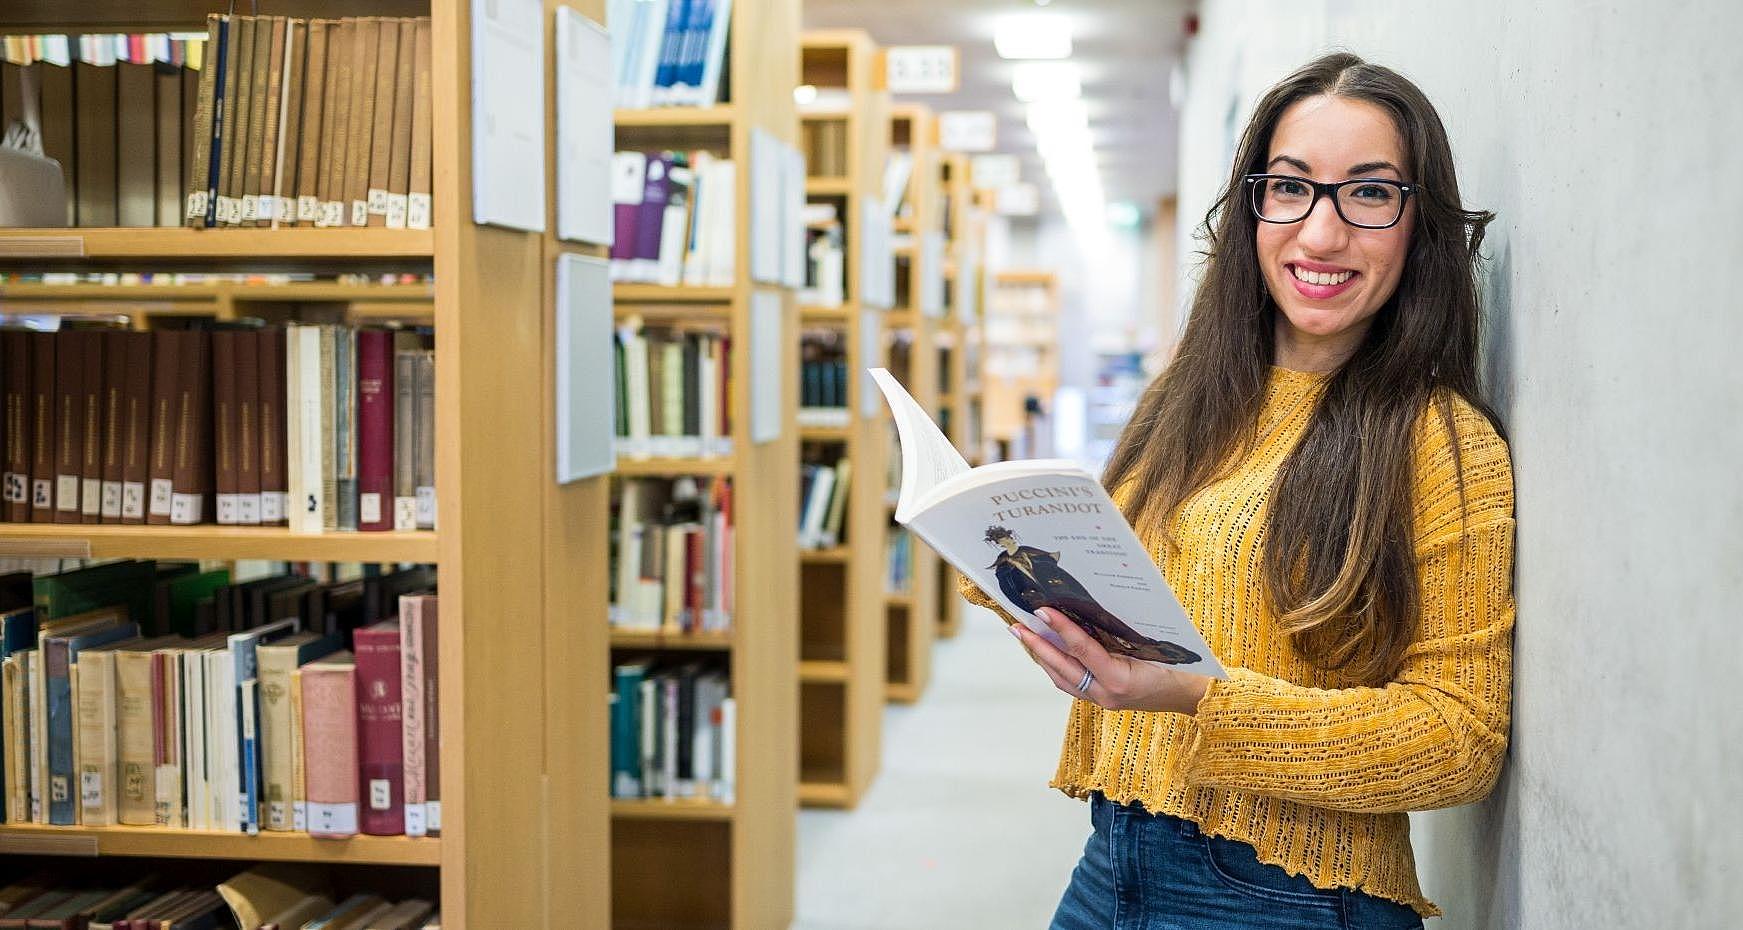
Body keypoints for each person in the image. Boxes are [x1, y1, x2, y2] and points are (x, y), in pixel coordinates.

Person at [964, 52, 1514, 929]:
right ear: (1251, 205)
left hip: (1286, 895)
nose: (1319, 235)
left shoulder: (1440, 441)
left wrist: (1194, 699)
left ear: (1421, 225)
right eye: (1289, 187)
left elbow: (1457, 744)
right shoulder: (1191, 397)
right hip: (1113, 860)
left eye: (1368, 194)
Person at [983, 525, 1201, 665]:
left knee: (1098, 615)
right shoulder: (1004, 565)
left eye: (1008, 539)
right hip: (1041, 601)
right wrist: (1027, 605)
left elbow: (1058, 569)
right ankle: (1129, 646)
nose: (1007, 543)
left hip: (1064, 590)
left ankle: (1144, 643)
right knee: (1079, 627)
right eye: (1003, 542)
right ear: (998, 544)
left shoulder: (1032, 552)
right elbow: (1009, 590)